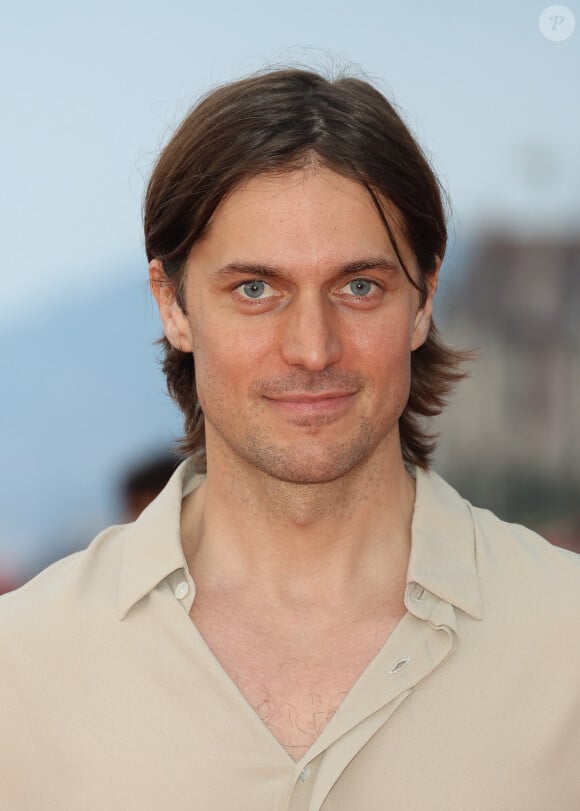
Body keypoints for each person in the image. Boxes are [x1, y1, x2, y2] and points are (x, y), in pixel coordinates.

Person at [1, 67, 580, 810]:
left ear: (423, 302)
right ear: (173, 305)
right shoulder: (21, 665)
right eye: (255, 290)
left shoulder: (566, 643)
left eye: (359, 286)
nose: (312, 348)